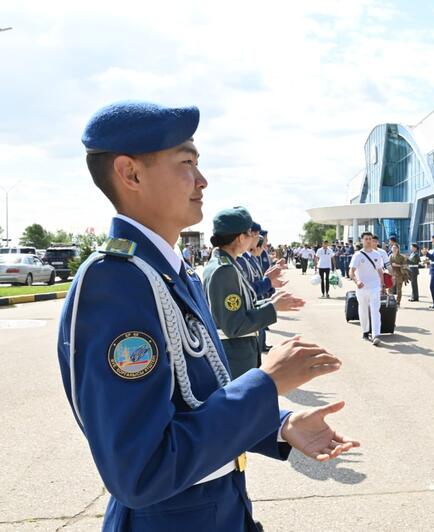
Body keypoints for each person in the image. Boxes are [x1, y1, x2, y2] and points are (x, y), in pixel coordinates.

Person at [58, 101, 358, 531]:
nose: (202, 180)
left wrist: (279, 425)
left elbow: (198, 403)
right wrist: (266, 384)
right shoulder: (115, 284)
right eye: (187, 162)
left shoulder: (174, 274)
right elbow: (141, 470)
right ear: (131, 174)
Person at [205, 208, 295, 377]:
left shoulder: (228, 264)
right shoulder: (224, 270)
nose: (253, 238)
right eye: (249, 233)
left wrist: (271, 302)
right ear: (240, 238)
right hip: (234, 356)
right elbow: (234, 325)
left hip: (238, 352)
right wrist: (273, 308)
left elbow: (242, 307)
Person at [349, 232, 385, 346]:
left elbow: (380, 270)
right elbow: (351, 271)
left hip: (375, 287)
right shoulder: (358, 255)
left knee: (375, 310)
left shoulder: (377, 255)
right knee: (363, 309)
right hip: (362, 287)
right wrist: (357, 281)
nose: (368, 241)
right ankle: (365, 331)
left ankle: (376, 335)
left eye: (370, 239)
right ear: (362, 240)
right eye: (366, 239)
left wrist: (382, 285)